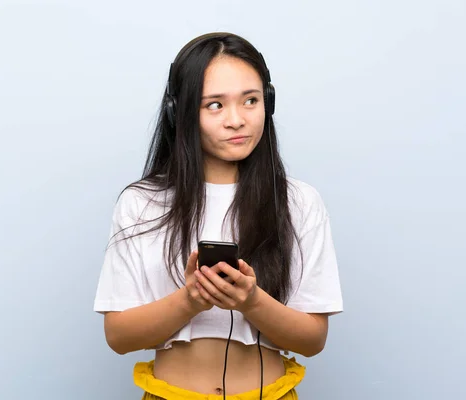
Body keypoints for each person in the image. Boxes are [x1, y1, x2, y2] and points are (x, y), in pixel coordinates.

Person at [93, 32, 343, 400]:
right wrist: (192, 298)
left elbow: (312, 340)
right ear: (179, 113)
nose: (236, 120)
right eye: (215, 105)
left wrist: (251, 301)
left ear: (268, 103)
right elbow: (118, 337)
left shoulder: (299, 201)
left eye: (250, 101)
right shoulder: (141, 203)